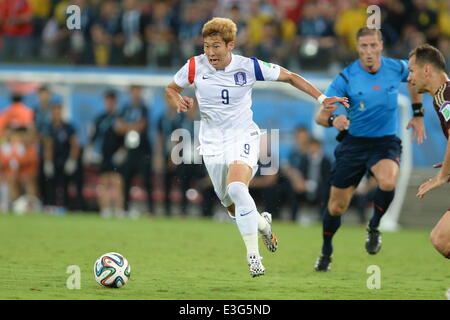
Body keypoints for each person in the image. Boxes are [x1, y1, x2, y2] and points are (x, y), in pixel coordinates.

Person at [165, 17, 348, 277]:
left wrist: (321, 97)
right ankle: (263, 224)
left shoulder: (248, 67)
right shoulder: (194, 65)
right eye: (206, 46)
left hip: (243, 136)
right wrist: (178, 100)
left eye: (216, 46)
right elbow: (171, 88)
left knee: (238, 188)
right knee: (231, 206)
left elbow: (289, 76)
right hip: (212, 142)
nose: (210, 52)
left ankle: (254, 258)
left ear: (230, 45)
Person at [314, 27, 426, 272]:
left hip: (384, 142)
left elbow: (416, 78)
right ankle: (326, 251)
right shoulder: (346, 77)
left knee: (387, 181)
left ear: (381, 46)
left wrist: (418, 112)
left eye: (373, 46)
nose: (369, 51)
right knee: (336, 207)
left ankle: (374, 228)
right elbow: (320, 116)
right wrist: (334, 120)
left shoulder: (395, 67)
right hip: (354, 145)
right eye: (364, 46)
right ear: (357, 48)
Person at [409, 44, 450, 259]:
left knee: (442, 239)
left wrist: (441, 177)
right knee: (442, 239)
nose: (409, 78)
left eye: (411, 70)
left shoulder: (446, 95)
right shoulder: (442, 97)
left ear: (426, 70)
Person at [88, 90, 124, 218]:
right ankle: (105, 210)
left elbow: (125, 138)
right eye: (107, 101)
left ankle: (119, 210)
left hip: (116, 155)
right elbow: (93, 137)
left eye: (111, 101)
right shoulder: (100, 119)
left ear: (115, 102)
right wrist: (90, 151)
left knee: (117, 182)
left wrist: (122, 151)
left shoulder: (120, 118)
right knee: (103, 182)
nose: (109, 103)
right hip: (103, 155)